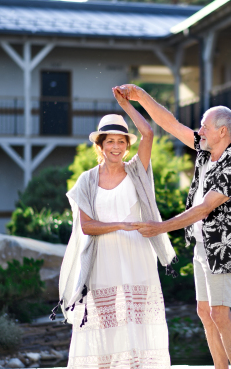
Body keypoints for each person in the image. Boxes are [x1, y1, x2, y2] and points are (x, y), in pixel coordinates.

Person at [118, 84, 231, 369]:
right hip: (203, 245)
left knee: (220, 314)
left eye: (204, 127)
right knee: (205, 311)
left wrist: (160, 227)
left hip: (222, 248)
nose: (199, 131)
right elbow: (170, 123)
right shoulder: (205, 151)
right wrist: (140, 96)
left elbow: (203, 209)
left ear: (222, 132)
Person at [53, 86, 176, 369]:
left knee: (136, 324)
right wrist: (122, 224)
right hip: (102, 260)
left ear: (127, 145)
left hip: (137, 258)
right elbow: (87, 226)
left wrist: (128, 105)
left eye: (121, 141)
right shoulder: (87, 181)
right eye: (110, 141)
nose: (116, 147)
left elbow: (149, 133)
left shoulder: (137, 171)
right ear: (100, 145)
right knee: (105, 326)